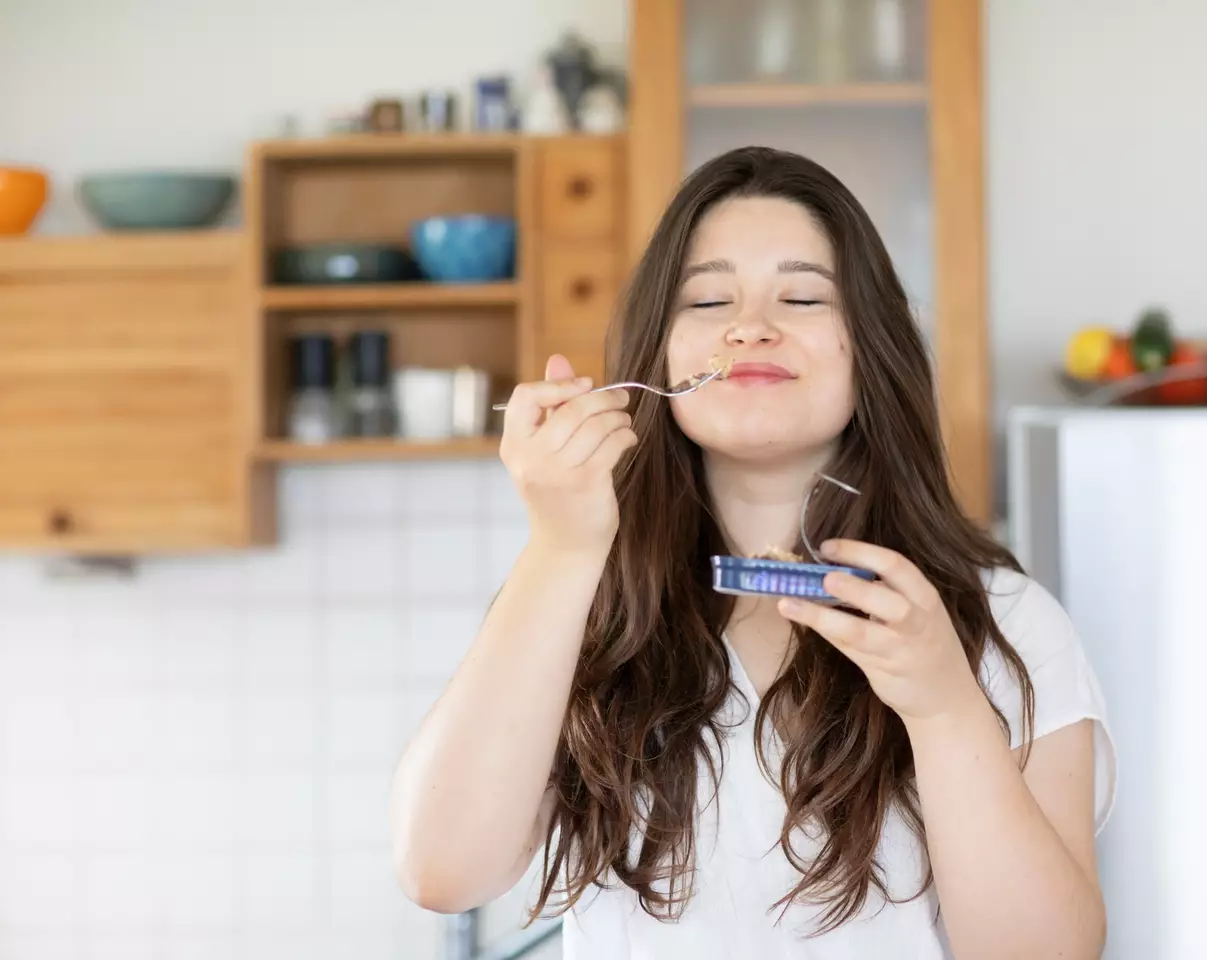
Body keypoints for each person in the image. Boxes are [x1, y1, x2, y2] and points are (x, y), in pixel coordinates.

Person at [390, 145, 1117, 959]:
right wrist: (561, 548)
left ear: (869, 349)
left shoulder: (1005, 622)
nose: (751, 325)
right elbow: (439, 871)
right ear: (658, 353)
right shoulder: (580, 598)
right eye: (707, 299)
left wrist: (945, 708)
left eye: (802, 295)